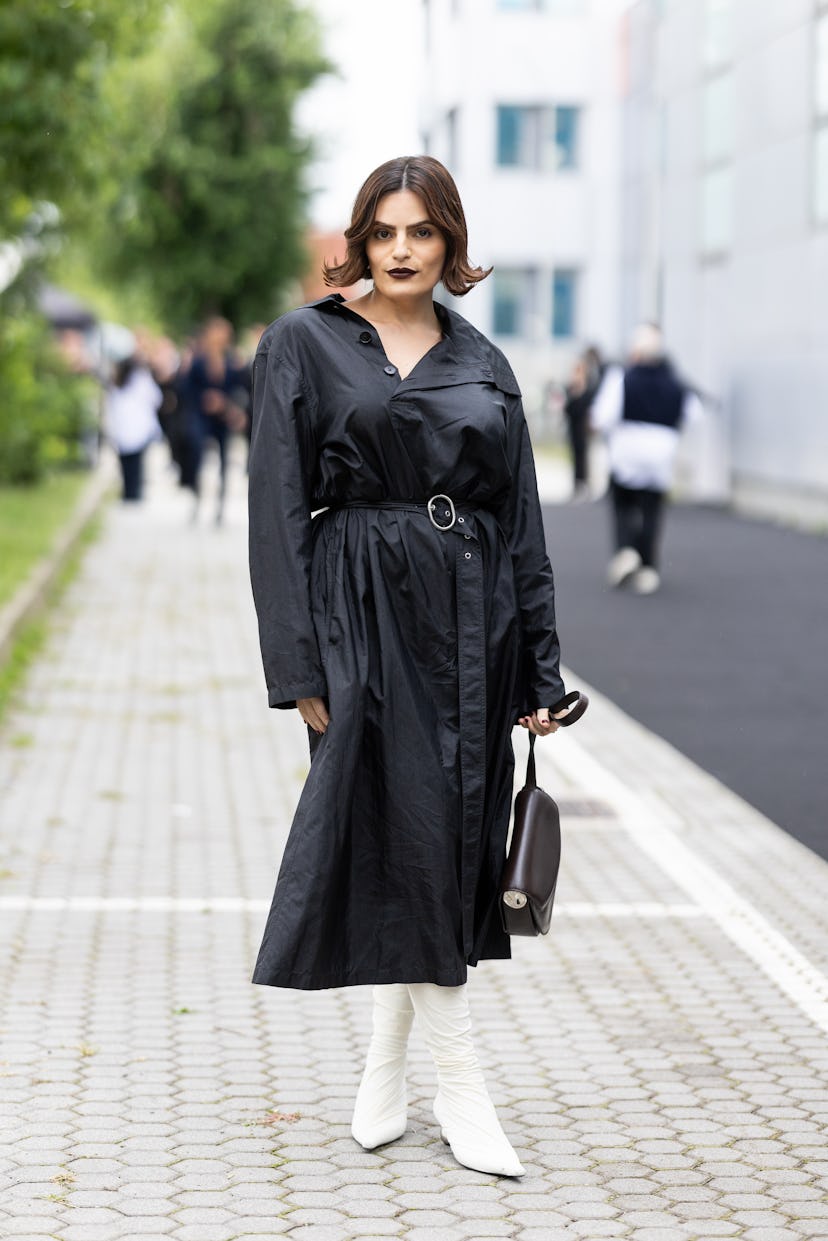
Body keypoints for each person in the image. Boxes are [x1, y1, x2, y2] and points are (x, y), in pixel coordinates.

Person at [247, 155, 577, 1178]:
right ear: (359, 238)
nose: (400, 250)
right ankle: (461, 1080)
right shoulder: (305, 342)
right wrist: (299, 660)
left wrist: (538, 666)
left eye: (421, 233)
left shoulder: (483, 360)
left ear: (450, 245)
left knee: (444, 840)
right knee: (403, 829)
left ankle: (387, 1065)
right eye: (383, 231)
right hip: (358, 614)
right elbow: (274, 513)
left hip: (470, 622)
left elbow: (520, 520)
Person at [591, 323, 703, 594]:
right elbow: (694, 414)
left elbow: (602, 416)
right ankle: (648, 568)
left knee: (622, 502)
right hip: (662, 452)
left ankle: (626, 549)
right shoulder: (675, 381)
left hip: (628, 449)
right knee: (652, 509)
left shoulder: (622, 378)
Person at [184, 317, 250, 522]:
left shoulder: (233, 362)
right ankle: (197, 497)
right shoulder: (197, 362)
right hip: (202, 415)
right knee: (198, 453)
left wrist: (228, 405)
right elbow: (187, 390)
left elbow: (241, 390)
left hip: (223, 416)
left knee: (224, 459)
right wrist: (205, 399)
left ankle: (220, 505)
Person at [104, 351, 162, 502]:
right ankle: (135, 491)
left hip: (124, 429)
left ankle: (128, 491)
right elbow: (156, 399)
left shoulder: (117, 383)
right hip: (138, 429)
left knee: (126, 462)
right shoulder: (142, 380)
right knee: (136, 463)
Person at [562, 343, 604, 499]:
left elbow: (587, 405)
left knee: (586, 456)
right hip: (574, 427)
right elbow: (568, 408)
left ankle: (586, 484)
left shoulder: (589, 387)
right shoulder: (570, 388)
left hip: (584, 428)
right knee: (576, 456)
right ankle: (577, 484)